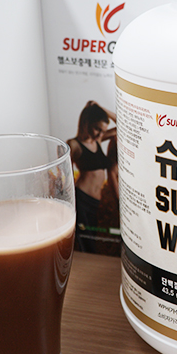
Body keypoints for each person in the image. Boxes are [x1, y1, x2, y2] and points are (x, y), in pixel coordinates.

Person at [67, 101, 116, 253]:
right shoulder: (74, 145)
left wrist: (102, 108)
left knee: (91, 240)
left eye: (103, 131)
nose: (100, 134)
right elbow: (65, 175)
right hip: (81, 199)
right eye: (97, 129)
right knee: (86, 244)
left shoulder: (98, 140)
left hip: (95, 203)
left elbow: (124, 125)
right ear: (86, 123)